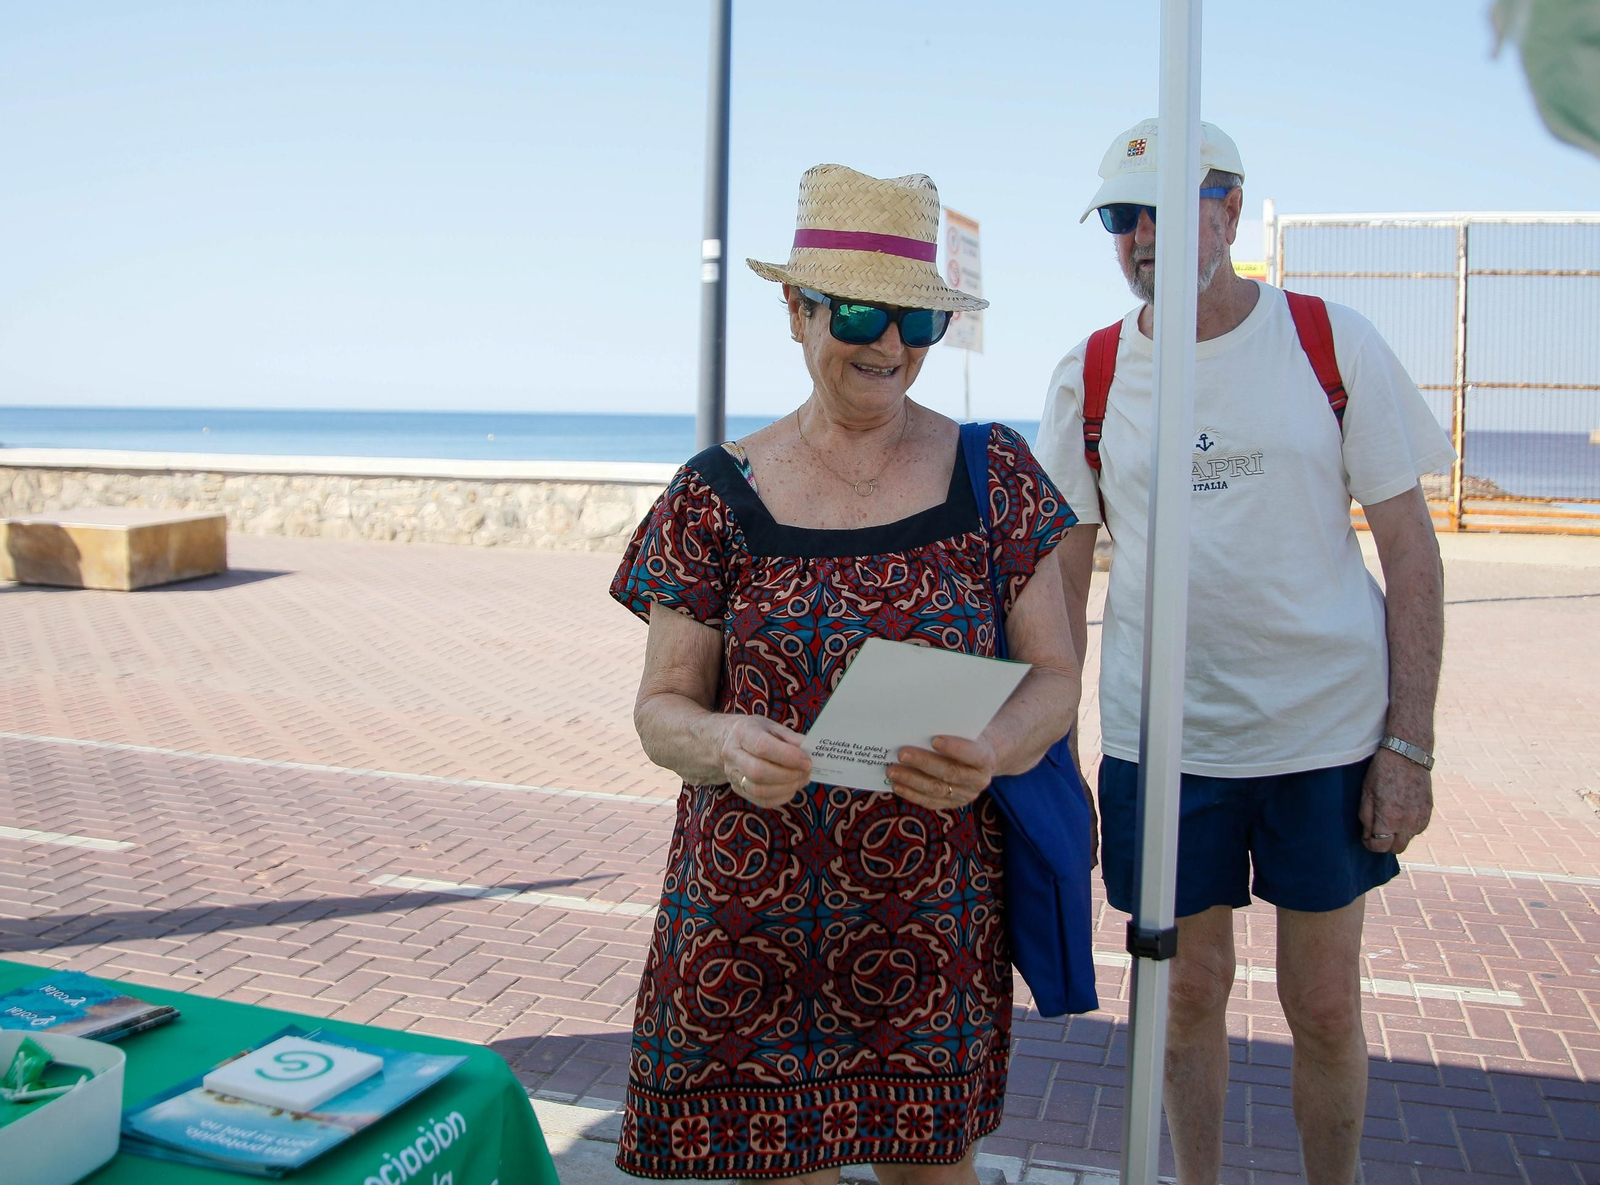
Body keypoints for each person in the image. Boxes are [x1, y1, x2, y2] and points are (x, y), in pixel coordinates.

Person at [608, 163, 1082, 1184]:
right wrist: (721, 742)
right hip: (747, 918)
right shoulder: (713, 495)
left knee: (931, 1171)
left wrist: (993, 749)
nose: (890, 346)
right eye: (864, 313)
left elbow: (1054, 679)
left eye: (919, 323)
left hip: (929, 917)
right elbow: (659, 710)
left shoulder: (996, 479)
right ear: (796, 310)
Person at [1036, 120, 1453, 1185]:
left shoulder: (1328, 340)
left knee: (1321, 1005)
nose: (1140, 236)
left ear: (1226, 211)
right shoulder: (1087, 374)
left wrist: (1409, 744)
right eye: (1121, 218)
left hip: (1324, 735)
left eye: (1164, 212)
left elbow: (1410, 555)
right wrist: (1055, 753)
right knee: (1185, 992)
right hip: (1160, 742)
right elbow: (1061, 581)